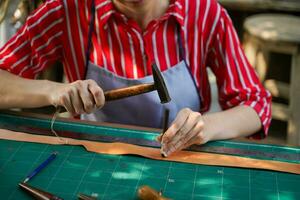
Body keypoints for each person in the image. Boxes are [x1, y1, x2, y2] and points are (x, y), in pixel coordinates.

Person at [0, 0, 271, 157]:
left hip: (180, 160)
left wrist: (206, 126)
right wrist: (53, 91)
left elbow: (257, 105)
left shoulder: (204, 14)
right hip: (92, 156)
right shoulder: (67, 11)